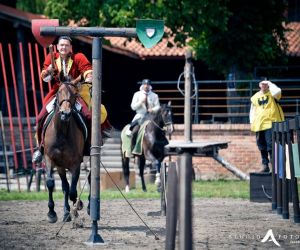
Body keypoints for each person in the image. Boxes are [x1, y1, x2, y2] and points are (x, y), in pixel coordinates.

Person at [32, 36, 112, 164]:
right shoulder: (51, 58)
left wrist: (89, 76)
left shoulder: (78, 57)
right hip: (59, 93)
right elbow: (44, 77)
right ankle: (40, 148)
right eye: (61, 45)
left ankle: (91, 144)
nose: (63, 47)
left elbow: (87, 69)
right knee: (40, 117)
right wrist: (48, 72)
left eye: (66, 45)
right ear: (58, 47)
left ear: (70, 47)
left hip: (76, 92)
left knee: (89, 116)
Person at [249, 80, 284, 173]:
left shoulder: (273, 94)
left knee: (271, 146)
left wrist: (270, 84)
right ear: (259, 85)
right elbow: (252, 111)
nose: (264, 85)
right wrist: (252, 122)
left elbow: (277, 91)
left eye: (266, 84)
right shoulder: (255, 97)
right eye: (262, 83)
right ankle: (265, 165)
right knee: (261, 146)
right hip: (259, 125)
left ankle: (275, 167)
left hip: (271, 124)